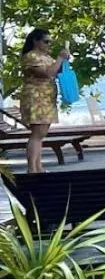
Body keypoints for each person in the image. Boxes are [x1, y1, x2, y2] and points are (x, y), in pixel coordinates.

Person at [19, 28, 70, 174]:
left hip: (46, 99)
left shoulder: (46, 57)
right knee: (37, 133)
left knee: (41, 134)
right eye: (46, 41)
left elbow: (57, 70)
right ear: (36, 41)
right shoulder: (32, 56)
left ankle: (38, 167)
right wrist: (59, 58)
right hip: (36, 98)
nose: (49, 45)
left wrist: (64, 60)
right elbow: (48, 73)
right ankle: (32, 169)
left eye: (50, 42)